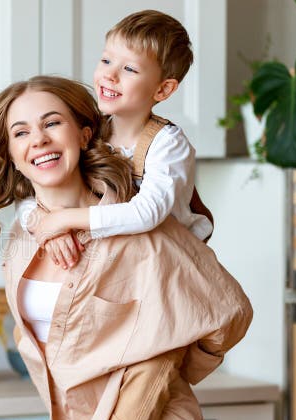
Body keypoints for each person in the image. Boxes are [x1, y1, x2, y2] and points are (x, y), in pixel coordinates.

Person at [0, 75, 252, 420]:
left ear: (84, 135)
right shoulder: (24, 239)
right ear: (11, 154)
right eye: (21, 132)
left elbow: (168, 349)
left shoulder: (138, 229)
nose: (39, 140)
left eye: (52, 123)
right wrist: (47, 225)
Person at [17, 10, 212, 270]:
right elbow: (30, 195)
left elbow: (146, 213)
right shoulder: (87, 130)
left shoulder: (168, 144)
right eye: (107, 60)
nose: (110, 75)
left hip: (162, 269)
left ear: (163, 89)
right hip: (108, 267)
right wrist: (43, 221)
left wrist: (63, 220)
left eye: (129, 68)